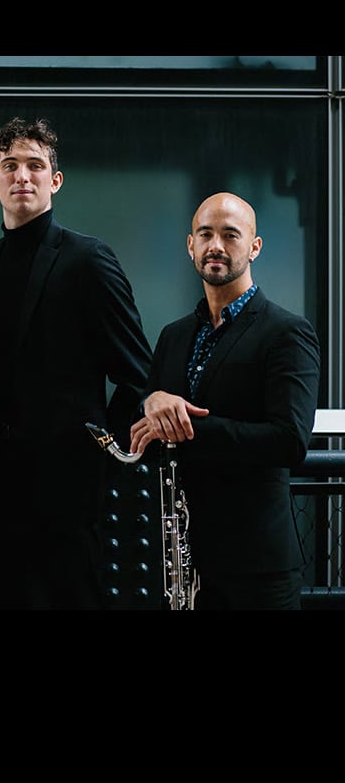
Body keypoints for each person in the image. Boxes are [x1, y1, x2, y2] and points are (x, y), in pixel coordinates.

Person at [0, 117, 152, 610]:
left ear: (55, 180)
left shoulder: (89, 259)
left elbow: (136, 370)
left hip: (66, 486)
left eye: (35, 166)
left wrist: (96, 443)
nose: (23, 175)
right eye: (11, 166)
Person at [127, 193, 319, 610]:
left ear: (254, 247)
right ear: (190, 245)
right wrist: (151, 401)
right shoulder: (173, 337)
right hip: (184, 564)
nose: (216, 245)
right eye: (206, 234)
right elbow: (149, 427)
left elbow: (290, 441)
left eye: (231, 235)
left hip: (257, 571)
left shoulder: (288, 332)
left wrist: (185, 428)